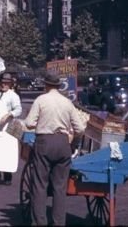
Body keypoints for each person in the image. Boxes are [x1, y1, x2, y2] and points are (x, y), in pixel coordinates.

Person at [24, 71, 88, 226]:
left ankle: (40, 222)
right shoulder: (67, 102)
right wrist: (73, 141)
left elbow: (29, 123)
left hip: (44, 142)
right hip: (63, 143)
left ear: (46, 85)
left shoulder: (41, 100)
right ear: (58, 87)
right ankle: (59, 223)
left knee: (40, 185)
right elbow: (79, 128)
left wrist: (41, 122)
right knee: (60, 187)